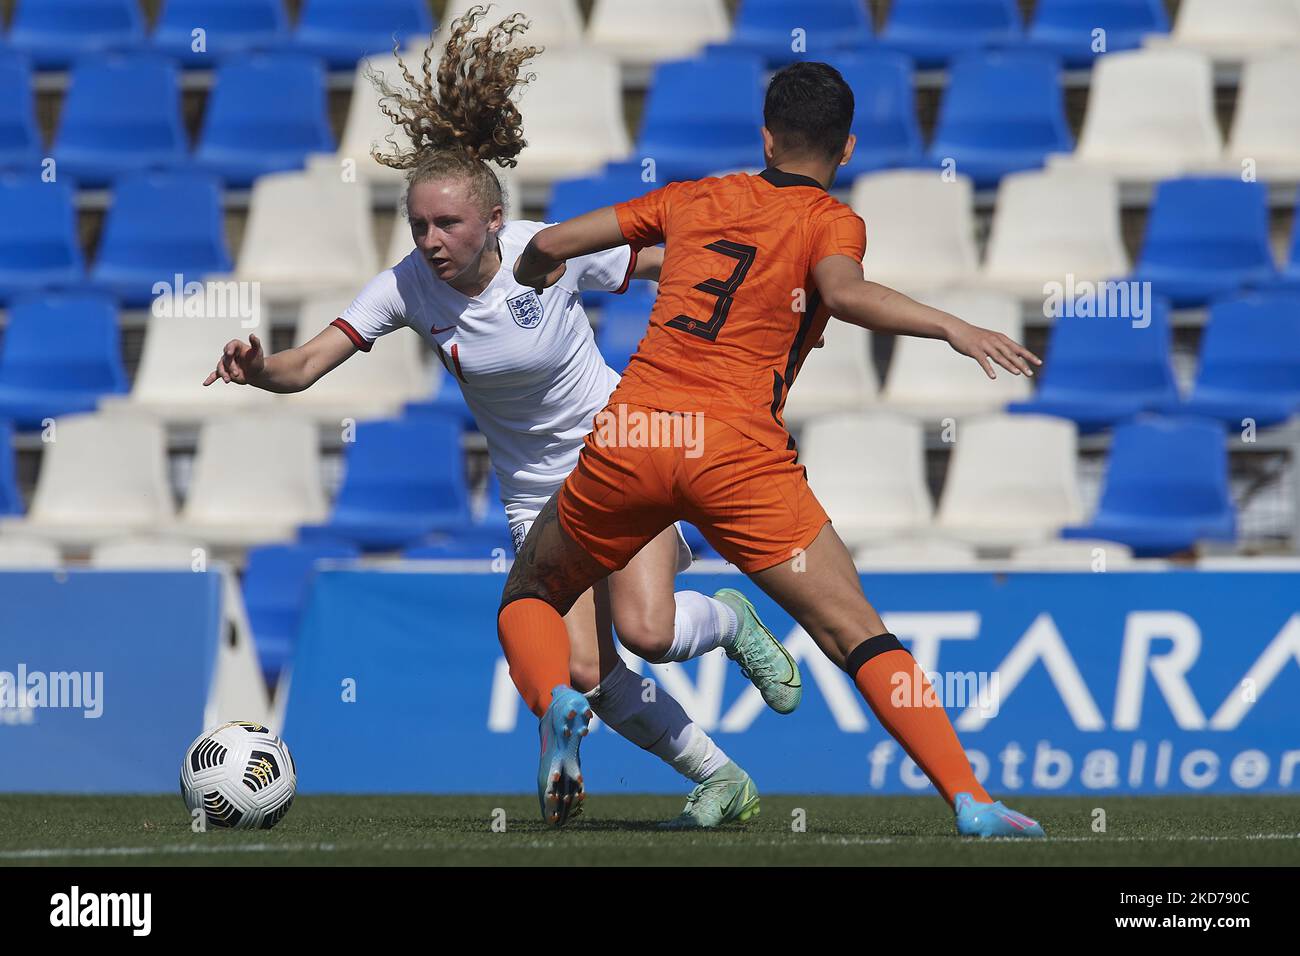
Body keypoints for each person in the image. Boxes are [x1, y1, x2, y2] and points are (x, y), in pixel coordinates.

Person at [202, 6, 802, 829]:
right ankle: (720, 776)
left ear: (492, 219)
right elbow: (305, 365)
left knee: (650, 632)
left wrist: (757, 271)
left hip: (620, 454)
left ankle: (731, 622)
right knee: (589, 670)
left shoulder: (546, 252)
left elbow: (667, 259)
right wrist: (258, 367)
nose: (431, 239)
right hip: (534, 499)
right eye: (418, 224)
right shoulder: (407, 286)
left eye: (447, 222)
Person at [500, 61, 1047, 837]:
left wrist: (531, 268)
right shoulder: (834, 220)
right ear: (847, 148)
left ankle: (556, 693)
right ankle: (971, 800)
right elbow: (848, 293)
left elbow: (554, 242)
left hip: (638, 432)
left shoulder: (692, 197)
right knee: (855, 630)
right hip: (735, 452)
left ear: (765, 136)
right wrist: (952, 325)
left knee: (534, 590)